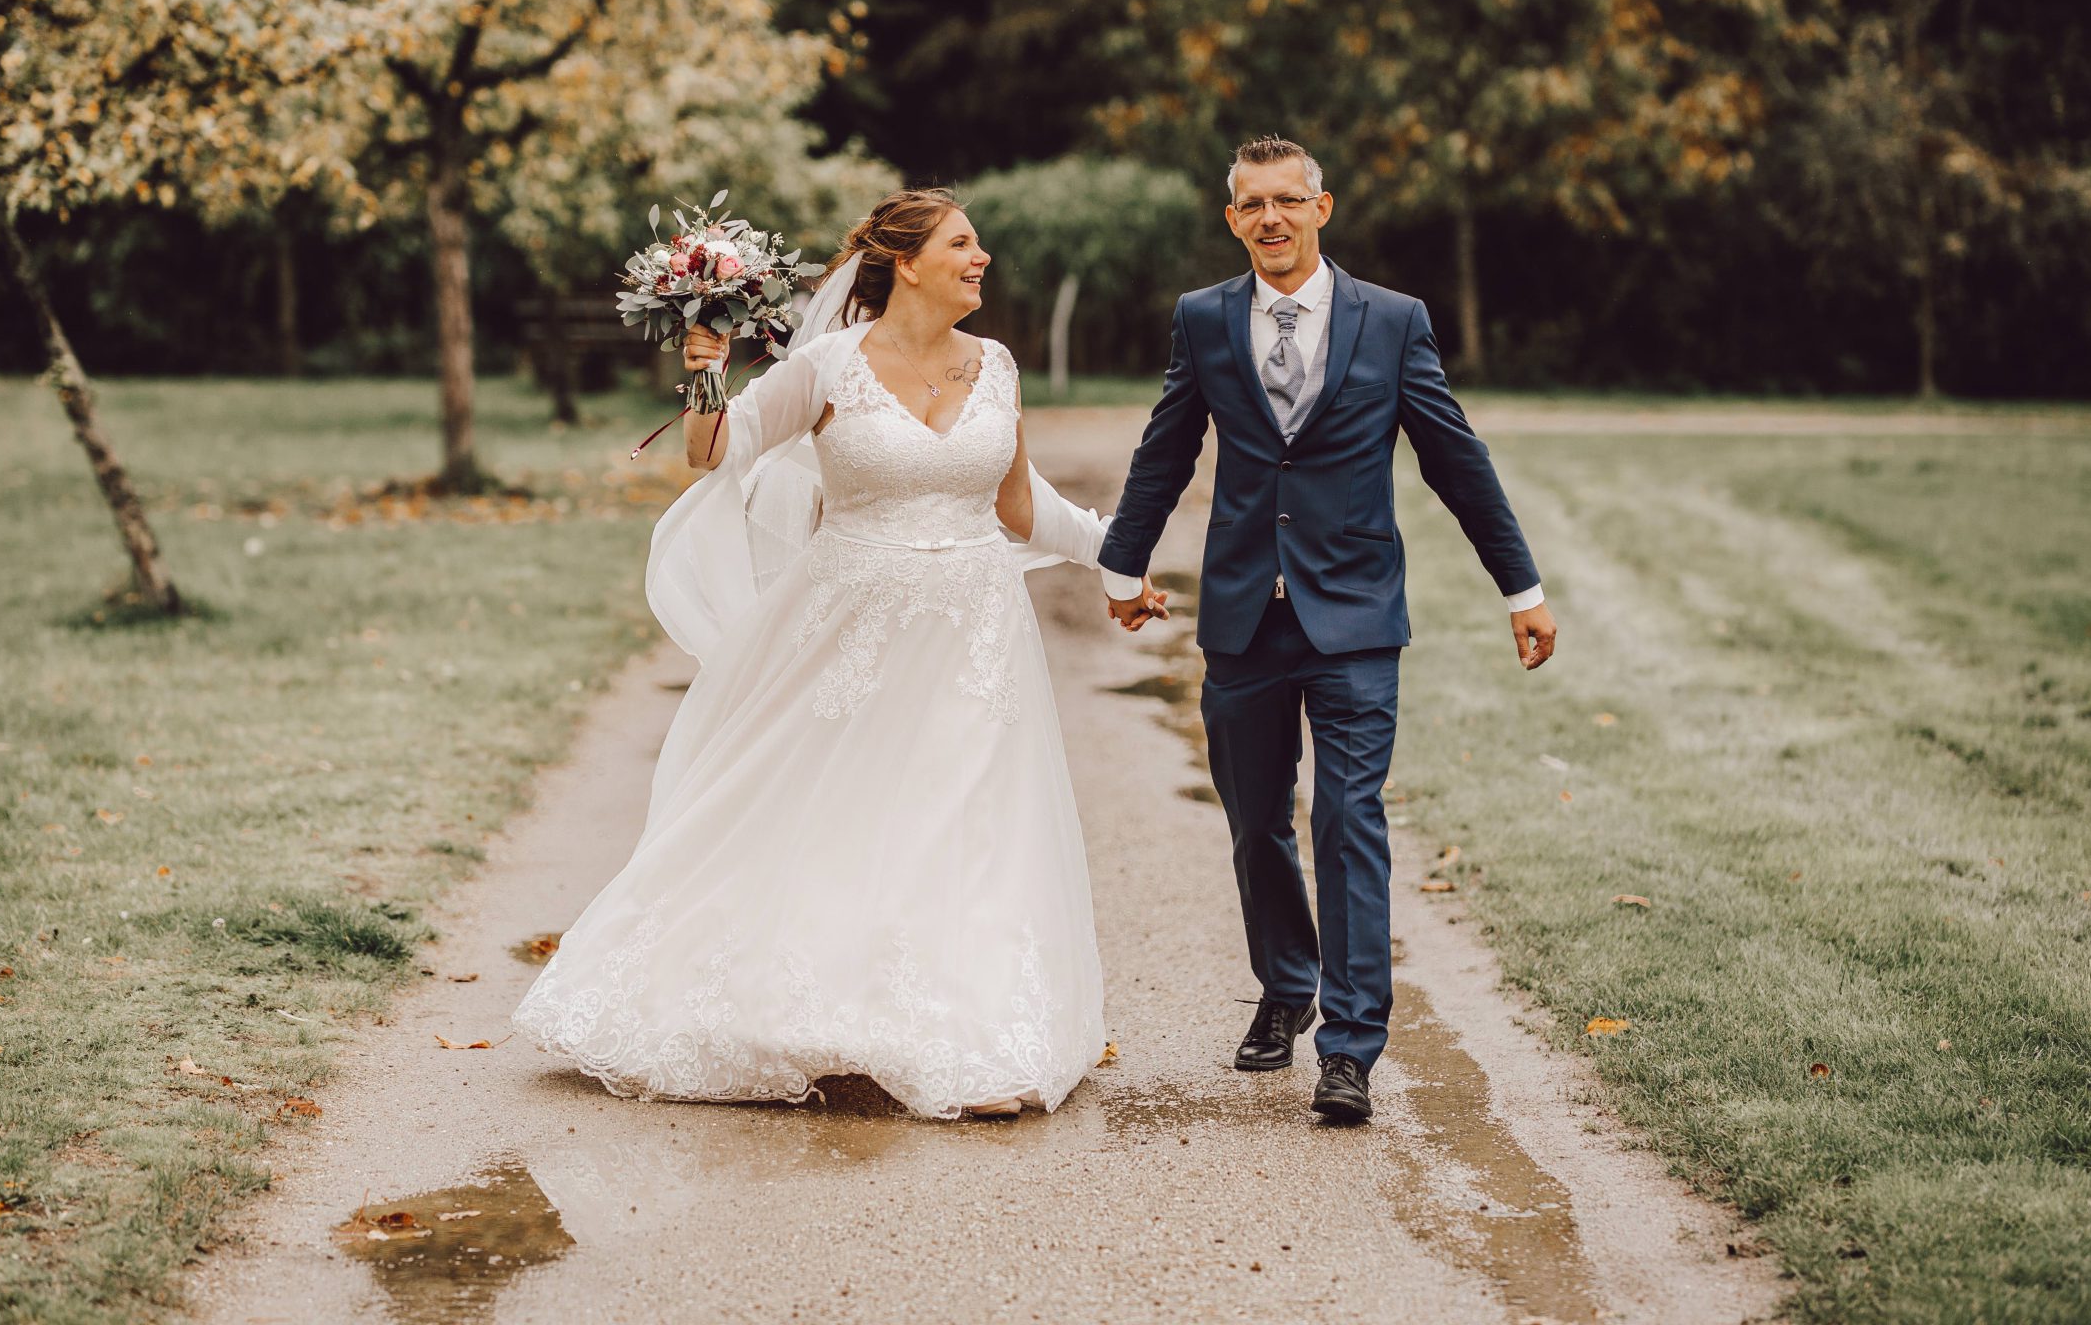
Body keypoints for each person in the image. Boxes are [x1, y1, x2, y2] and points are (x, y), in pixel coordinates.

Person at [513, 189, 1117, 1120]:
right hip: (849, 627)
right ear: (906, 262)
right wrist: (707, 371)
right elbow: (716, 456)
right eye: (964, 243)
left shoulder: (995, 365)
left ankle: (966, 1033)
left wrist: (1121, 563)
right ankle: (801, 1010)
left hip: (975, 636)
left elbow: (1022, 508)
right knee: (837, 812)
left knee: (961, 824)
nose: (983, 256)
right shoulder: (829, 364)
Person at [1098, 134, 1557, 1124]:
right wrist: (1122, 564)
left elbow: (1455, 458)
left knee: (1349, 820)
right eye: (1251, 205)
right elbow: (1166, 446)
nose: (1271, 218)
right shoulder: (1206, 321)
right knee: (1256, 818)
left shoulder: (1393, 322)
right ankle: (1287, 980)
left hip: (1354, 617)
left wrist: (1520, 586)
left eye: (1287, 201)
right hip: (1242, 618)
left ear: (1322, 208)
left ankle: (1350, 1046)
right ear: (1232, 220)